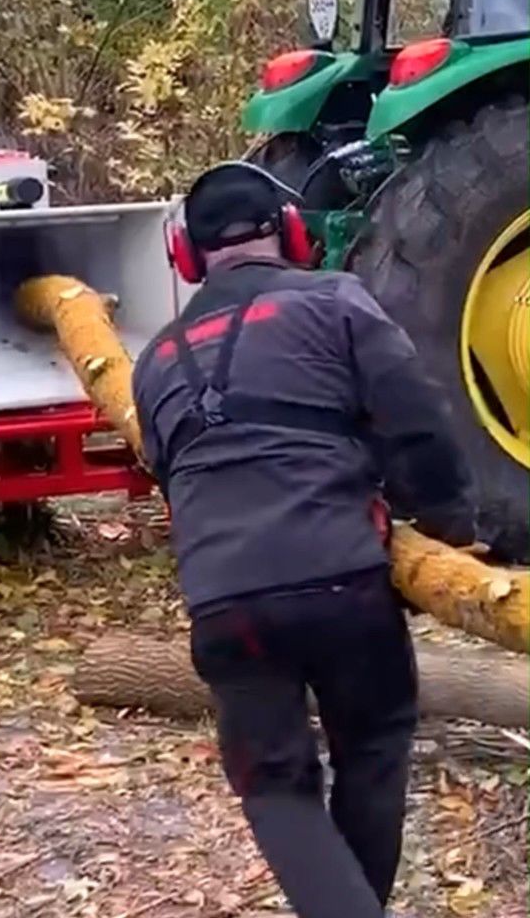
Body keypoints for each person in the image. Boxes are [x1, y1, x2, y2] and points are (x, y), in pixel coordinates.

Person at [132, 162, 476, 918]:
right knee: (375, 750)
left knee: (275, 785)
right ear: (291, 233)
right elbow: (417, 423)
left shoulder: (153, 360)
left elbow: (173, 479)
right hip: (342, 581)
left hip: (224, 603)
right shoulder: (338, 301)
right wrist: (450, 526)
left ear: (185, 257)